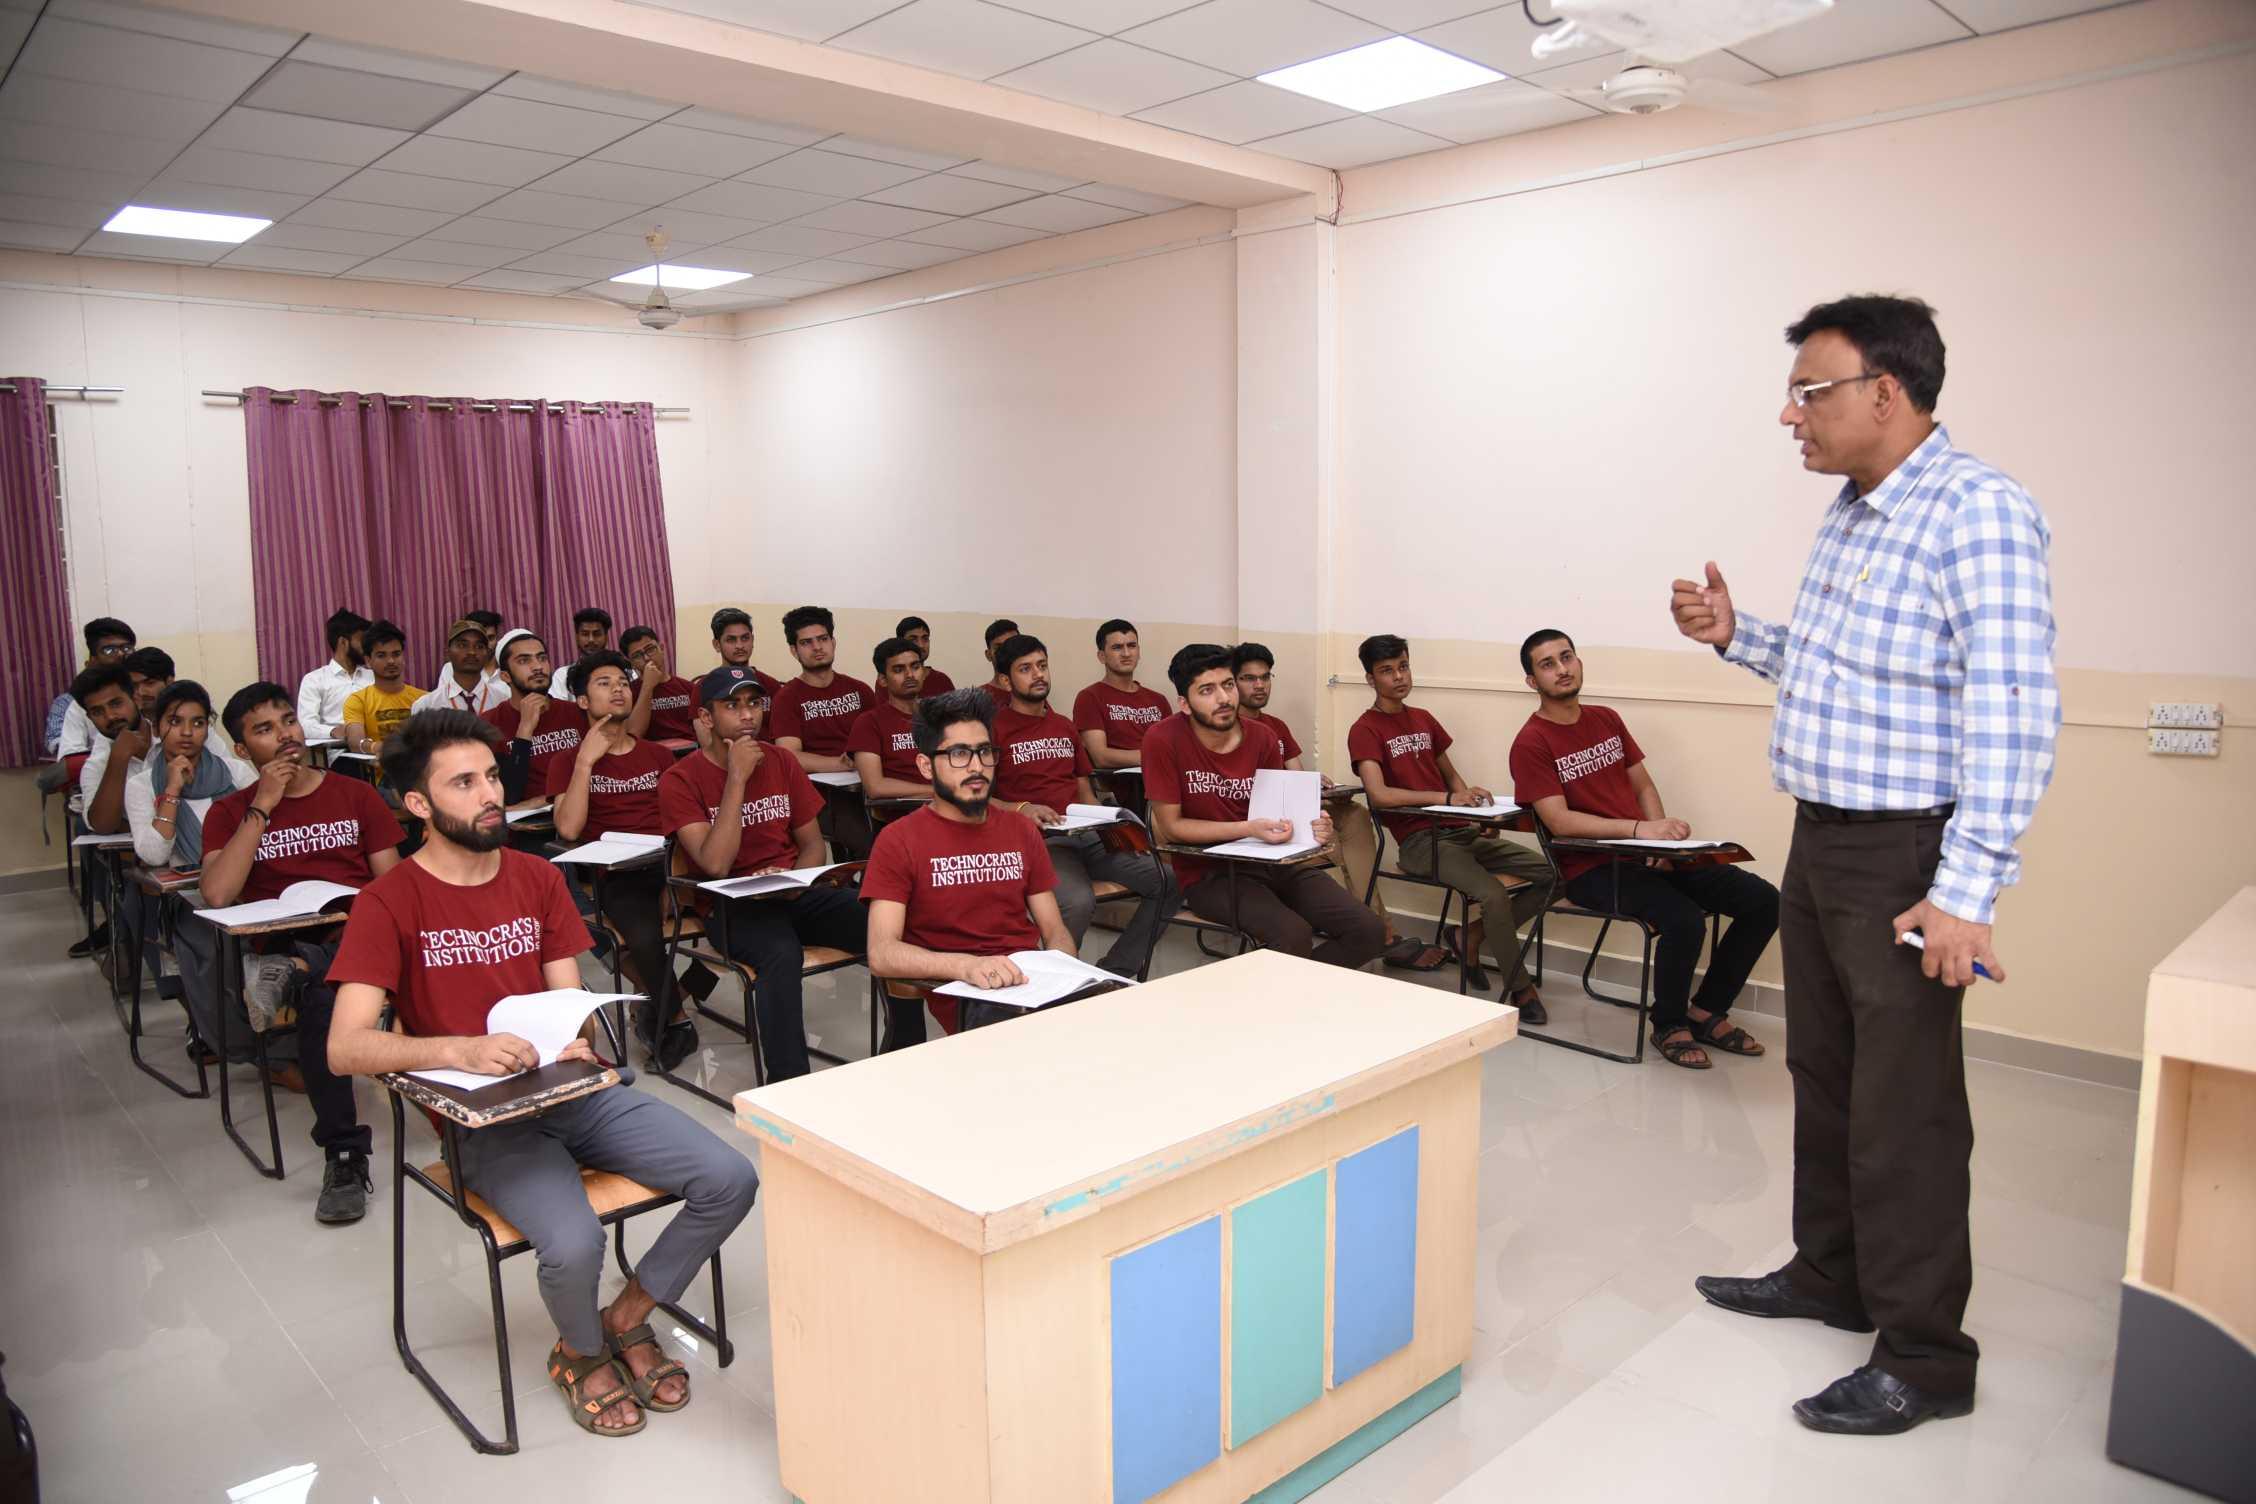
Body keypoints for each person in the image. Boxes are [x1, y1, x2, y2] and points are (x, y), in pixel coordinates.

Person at [1672, 294, 2058, 1435]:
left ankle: (1928, 1357)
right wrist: (1738, 634)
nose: (1789, 413)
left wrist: (1966, 889)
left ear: (1885, 392)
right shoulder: (1854, 511)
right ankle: (1833, 1273)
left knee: (1907, 1108)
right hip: (1824, 836)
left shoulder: (1977, 511)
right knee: (1827, 1075)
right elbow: (1846, 677)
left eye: (1810, 389)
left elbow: (2014, 708)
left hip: (1907, 852)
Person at [328, 710, 760, 1437]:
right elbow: (345, 1047)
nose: (489, 793)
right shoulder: (388, 901)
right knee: (575, 1241)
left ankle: (623, 1318)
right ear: (419, 806)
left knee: (732, 1178)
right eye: (463, 783)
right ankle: (581, 1353)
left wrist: (578, 1037)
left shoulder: (535, 876)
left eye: (491, 776)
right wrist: (457, 1049)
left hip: (571, 1092)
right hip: (485, 1119)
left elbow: (571, 999)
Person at [1509, 629, 1778, 1069]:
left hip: (1644, 854)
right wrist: (1640, 830)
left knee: (1764, 902)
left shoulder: (1606, 718)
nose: (1562, 669)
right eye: (1547, 664)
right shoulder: (1531, 742)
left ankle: (1706, 1011)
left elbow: (1644, 784)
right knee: (1685, 921)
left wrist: (1660, 840)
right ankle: (1669, 1024)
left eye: (1567, 657)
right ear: (1531, 680)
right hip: (1592, 870)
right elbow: (1558, 822)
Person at [198, 682, 405, 1224]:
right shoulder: (229, 811)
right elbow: (218, 894)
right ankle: (344, 1152)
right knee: (323, 996)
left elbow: (395, 887)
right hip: (283, 937)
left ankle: (299, 972)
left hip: (360, 931)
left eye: (288, 720)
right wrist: (263, 806)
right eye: (264, 730)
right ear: (243, 751)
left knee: (320, 980)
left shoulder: (355, 794)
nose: (285, 735)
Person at [659, 666, 868, 1083]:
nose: (747, 715)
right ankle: (789, 1086)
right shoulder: (680, 779)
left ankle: (905, 1044)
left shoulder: (781, 760)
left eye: (753, 703)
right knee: (780, 954)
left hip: (790, 892)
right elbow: (714, 864)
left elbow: (811, 845)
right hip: (729, 904)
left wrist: (795, 881)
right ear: (706, 719)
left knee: (879, 921)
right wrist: (736, 778)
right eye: (731, 706)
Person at [861, 688, 1078, 1047]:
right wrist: (966, 966)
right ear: (926, 765)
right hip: (967, 991)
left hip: (1027, 981)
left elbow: (1055, 930)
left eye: (984, 752)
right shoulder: (898, 840)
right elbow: (882, 953)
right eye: (959, 754)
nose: (976, 766)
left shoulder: (1021, 829)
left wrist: (1064, 973)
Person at [1348, 635, 1553, 1016]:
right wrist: (1445, 800)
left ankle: (1469, 936)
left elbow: (1451, 778)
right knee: (1491, 895)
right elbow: (1378, 796)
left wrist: (1475, 811)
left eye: (1403, 666)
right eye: (1387, 671)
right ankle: (1521, 991)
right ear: (1370, 678)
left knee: (1554, 873)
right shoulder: (1365, 729)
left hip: (1459, 832)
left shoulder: (1423, 718)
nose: (1398, 677)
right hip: (1420, 842)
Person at [1145, 645, 1383, 968]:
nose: (1224, 698)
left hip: (1274, 864)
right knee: (1293, 935)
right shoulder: (1162, 739)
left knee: (1368, 930)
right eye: (1207, 690)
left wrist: (1315, 827)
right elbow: (1172, 827)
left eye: (1228, 685)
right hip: (1209, 874)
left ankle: (1293, 996)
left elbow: (1282, 815)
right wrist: (1247, 828)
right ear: (1184, 704)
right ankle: (1280, 1002)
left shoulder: (1263, 737)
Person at [1232, 642, 1444, 973]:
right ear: (1232, 683)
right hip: (1257, 823)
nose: (1259, 686)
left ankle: (1375, 925)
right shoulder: (1229, 729)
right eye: (1248, 679)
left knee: (1354, 814)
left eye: (1265, 677)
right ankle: (1379, 929)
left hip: (1292, 814)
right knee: (1335, 839)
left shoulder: (1277, 726)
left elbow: (1297, 779)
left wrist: (1320, 788)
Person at [548, 650, 706, 1067]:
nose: (618, 689)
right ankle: (675, 1018)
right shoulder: (567, 760)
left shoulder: (656, 755)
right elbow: (567, 828)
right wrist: (585, 762)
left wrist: (675, 875)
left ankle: (670, 1001)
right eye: (604, 683)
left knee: (731, 915)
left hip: (670, 862)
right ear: (581, 701)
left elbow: (680, 821)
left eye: (622, 681)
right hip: (619, 874)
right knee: (644, 935)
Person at [988, 632, 1176, 977]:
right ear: (1004, 680)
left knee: (1168, 879)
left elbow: (1083, 787)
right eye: (1025, 669)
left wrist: (1104, 824)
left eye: (1042, 666)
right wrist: (1021, 809)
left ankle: (1115, 972)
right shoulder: (993, 730)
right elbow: (981, 798)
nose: (1038, 675)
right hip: (1040, 840)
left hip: (1086, 833)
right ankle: (1054, 985)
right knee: (1077, 901)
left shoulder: (1063, 725)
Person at [768, 605, 877, 857]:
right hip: (821, 794)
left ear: (833, 642)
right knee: (865, 838)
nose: (817, 647)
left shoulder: (859, 690)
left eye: (823, 639)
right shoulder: (787, 698)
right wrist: (842, 764)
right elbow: (789, 755)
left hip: (869, 784)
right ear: (794, 651)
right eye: (807, 642)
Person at [64, 664, 146, 959]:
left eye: (116, 703)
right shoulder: (98, 764)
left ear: (135, 696)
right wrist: (119, 758)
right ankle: (124, 944)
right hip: (143, 868)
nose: (111, 717)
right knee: (138, 901)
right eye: (98, 712)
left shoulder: (176, 731)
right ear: (89, 718)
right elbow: (102, 825)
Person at [481, 629, 588, 805]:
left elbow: (600, 778)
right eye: (524, 660)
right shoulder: (489, 724)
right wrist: (524, 730)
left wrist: (545, 800)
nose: (538, 666)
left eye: (542, 658)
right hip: (524, 827)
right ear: (505, 676)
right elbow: (508, 796)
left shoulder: (577, 712)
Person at [1072, 619, 1170, 772]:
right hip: (1122, 787)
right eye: (1117, 647)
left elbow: (1172, 748)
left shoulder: (1159, 700)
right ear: (1101, 656)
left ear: (1139, 651)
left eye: (1131, 646)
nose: (1126, 653)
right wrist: (1156, 756)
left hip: (1164, 781)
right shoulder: (1089, 697)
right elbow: (1101, 757)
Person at [846, 637, 934, 802]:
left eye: (915, 667)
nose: (909, 675)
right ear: (883, 680)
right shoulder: (868, 722)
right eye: (899, 670)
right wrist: (939, 791)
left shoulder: (941, 717)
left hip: (951, 810)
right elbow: (875, 787)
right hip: (900, 815)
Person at [47, 615, 134, 761]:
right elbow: (69, 757)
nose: (120, 655)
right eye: (109, 650)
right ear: (93, 660)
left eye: (126, 648)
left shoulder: (145, 693)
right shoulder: (75, 705)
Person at [340, 620, 426, 761]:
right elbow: (355, 742)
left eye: (396, 654)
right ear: (368, 661)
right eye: (381, 655)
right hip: (380, 776)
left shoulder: (424, 698)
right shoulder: (358, 700)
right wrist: (377, 748)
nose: (391, 661)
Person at [298, 607, 372, 745]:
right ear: (343, 642)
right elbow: (305, 725)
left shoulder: (373, 677)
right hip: (340, 752)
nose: (367, 647)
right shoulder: (315, 680)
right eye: (362, 640)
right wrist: (333, 731)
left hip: (379, 747)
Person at [413, 618, 510, 715]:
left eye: (479, 646)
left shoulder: (504, 701)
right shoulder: (426, 706)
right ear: (447, 652)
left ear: (487, 653)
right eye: (462, 645)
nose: (471, 652)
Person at [621, 626, 697, 743]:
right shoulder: (627, 692)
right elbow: (633, 734)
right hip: (652, 756)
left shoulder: (689, 688)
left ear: (661, 648)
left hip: (690, 752)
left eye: (650, 649)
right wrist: (647, 686)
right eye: (637, 656)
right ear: (631, 663)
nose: (646, 658)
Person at [698, 608, 781, 703]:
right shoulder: (704, 686)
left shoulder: (771, 685)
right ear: (717, 645)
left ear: (752, 640)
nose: (740, 646)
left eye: (745, 638)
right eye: (731, 640)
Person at [892, 615, 955, 696]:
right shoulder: (891, 680)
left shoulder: (942, 680)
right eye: (913, 639)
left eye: (925, 639)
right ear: (900, 643)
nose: (921, 645)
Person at [979, 618, 1020, 704]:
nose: (1006, 652)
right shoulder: (979, 698)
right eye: (999, 648)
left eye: (1012, 645)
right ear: (988, 655)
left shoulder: (1031, 692)